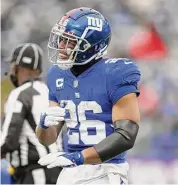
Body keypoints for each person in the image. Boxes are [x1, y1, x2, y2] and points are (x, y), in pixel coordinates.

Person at [36, 7, 141, 184]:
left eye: (70, 42)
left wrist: (78, 157)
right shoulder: (56, 74)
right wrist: (43, 124)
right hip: (71, 170)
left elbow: (126, 136)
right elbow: (48, 138)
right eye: (62, 39)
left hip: (106, 170)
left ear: (91, 46)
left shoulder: (115, 73)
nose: (61, 46)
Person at [1, 43, 62, 184]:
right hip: (58, 171)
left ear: (18, 67)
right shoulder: (49, 92)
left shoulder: (19, 94)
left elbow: (9, 141)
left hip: (35, 172)